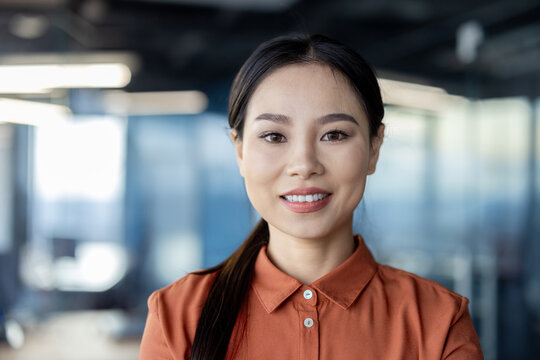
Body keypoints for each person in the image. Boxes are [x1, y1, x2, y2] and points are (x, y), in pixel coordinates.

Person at [139, 33, 484, 360]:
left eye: (334, 135)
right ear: (240, 151)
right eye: (274, 136)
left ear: (374, 149)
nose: (304, 165)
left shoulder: (438, 322)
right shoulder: (177, 315)